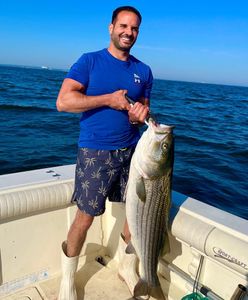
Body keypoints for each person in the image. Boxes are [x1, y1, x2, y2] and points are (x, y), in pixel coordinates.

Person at [56, 6, 153, 300]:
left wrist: (140, 115)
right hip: (96, 151)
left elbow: (144, 112)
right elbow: (63, 102)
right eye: (123, 26)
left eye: (134, 28)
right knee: (85, 218)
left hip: (133, 153)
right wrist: (108, 100)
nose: (129, 32)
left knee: (134, 215)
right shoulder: (89, 61)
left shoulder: (144, 71)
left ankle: (127, 266)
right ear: (111, 27)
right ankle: (68, 279)